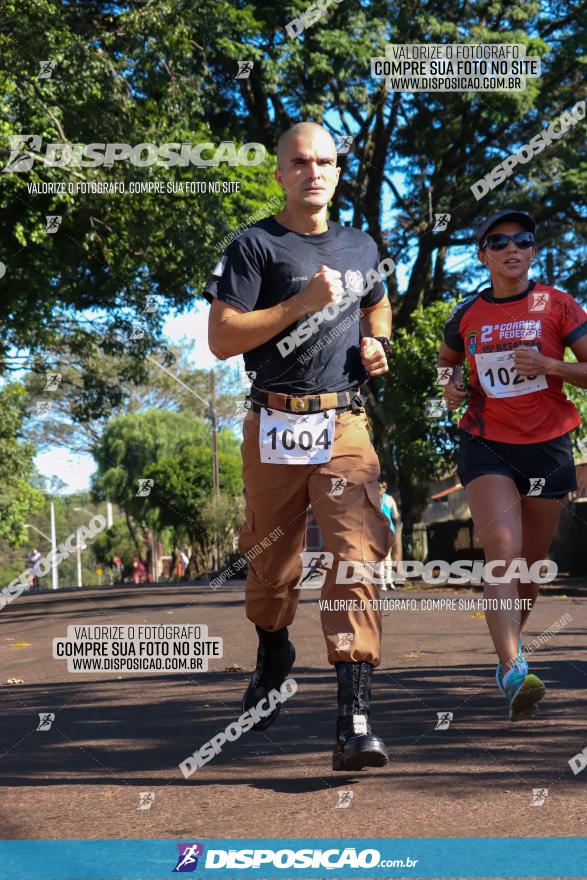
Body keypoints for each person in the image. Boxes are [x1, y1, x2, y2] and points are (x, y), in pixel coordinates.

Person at [205, 121, 394, 770]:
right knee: (270, 570)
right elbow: (223, 337)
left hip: (343, 424)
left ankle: (353, 717)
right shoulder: (252, 246)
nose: (314, 171)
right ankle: (272, 651)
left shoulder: (362, 245)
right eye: (300, 162)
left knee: (354, 557)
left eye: (325, 162)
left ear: (337, 172)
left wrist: (378, 343)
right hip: (274, 427)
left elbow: (378, 305)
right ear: (280, 172)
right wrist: (299, 305)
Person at [437, 208, 587, 720]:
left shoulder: (558, 305)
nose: (512, 249)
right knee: (503, 548)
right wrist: (450, 390)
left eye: (523, 240)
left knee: (532, 563)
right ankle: (512, 667)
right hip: (487, 444)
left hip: (547, 445)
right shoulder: (465, 314)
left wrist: (551, 365)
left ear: (533, 251)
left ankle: (511, 645)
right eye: (499, 242)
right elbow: (445, 366)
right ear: (483, 255)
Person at [378, 481, 400, 587]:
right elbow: (395, 515)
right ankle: (389, 581)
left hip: (377, 530)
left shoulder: (373, 499)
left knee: (380, 557)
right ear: (385, 488)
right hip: (389, 529)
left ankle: (382, 583)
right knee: (388, 556)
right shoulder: (390, 499)